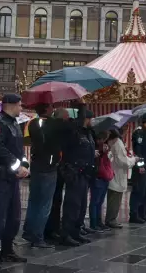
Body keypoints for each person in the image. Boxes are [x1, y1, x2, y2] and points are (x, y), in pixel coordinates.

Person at [0, 93, 30, 270]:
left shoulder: (14, 123)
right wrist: (17, 165)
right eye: (19, 105)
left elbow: (18, 149)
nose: (21, 108)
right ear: (10, 105)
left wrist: (24, 163)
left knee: (13, 216)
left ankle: (7, 249)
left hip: (11, 177)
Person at [22, 104, 61, 248]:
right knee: (45, 204)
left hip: (37, 164)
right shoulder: (53, 124)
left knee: (34, 201)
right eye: (51, 107)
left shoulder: (32, 123)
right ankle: (38, 236)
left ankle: (29, 231)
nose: (53, 109)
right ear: (47, 109)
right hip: (49, 167)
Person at [60, 109, 96, 244]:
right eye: (90, 119)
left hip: (85, 172)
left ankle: (76, 231)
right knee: (72, 204)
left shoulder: (88, 133)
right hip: (75, 171)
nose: (92, 121)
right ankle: (66, 233)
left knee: (81, 205)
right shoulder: (74, 132)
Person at [44, 108, 70, 244]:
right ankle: (49, 229)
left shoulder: (54, 127)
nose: (67, 118)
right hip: (53, 167)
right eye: (66, 116)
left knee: (56, 201)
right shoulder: (54, 126)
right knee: (53, 201)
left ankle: (54, 227)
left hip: (58, 167)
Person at [105, 128, 136, 228]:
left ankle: (111, 219)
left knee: (114, 197)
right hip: (116, 173)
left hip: (114, 172)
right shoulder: (117, 142)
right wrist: (133, 160)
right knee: (115, 198)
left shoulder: (112, 141)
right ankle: (111, 219)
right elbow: (123, 161)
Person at [88, 131, 113, 231]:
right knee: (95, 201)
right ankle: (94, 223)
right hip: (97, 175)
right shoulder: (94, 147)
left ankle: (99, 222)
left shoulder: (105, 147)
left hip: (104, 175)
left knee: (100, 201)